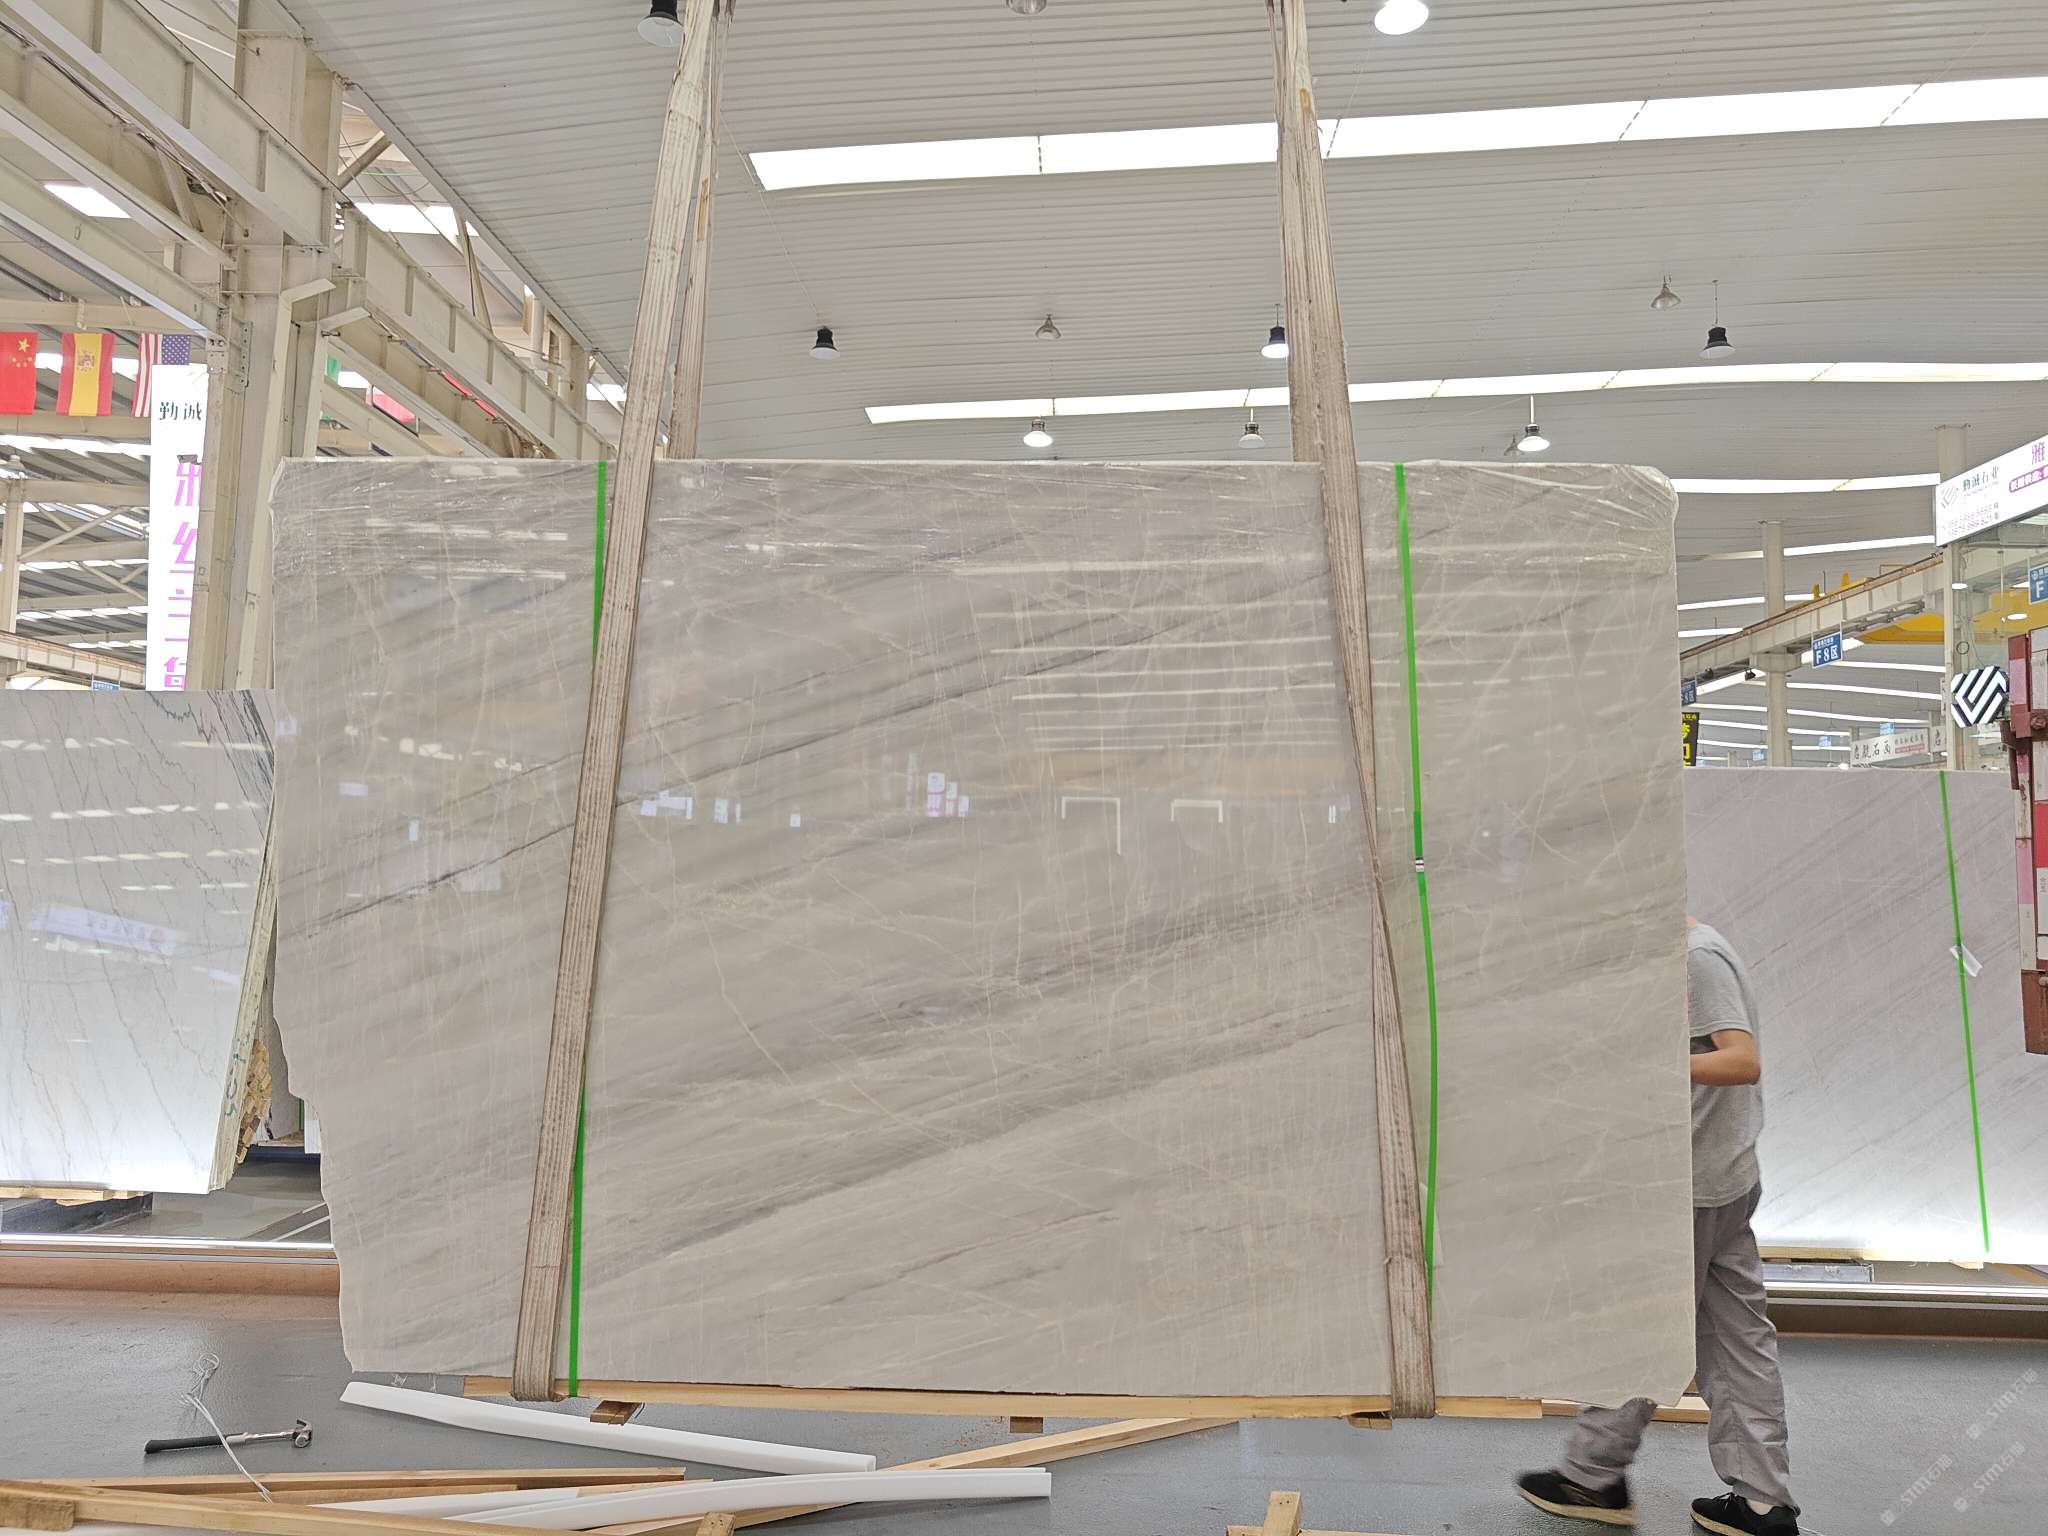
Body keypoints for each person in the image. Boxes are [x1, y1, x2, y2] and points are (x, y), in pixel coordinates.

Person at [1514, 916, 1800, 1536]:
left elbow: (1742, 1059)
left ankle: (1593, 1477)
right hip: (1719, 1178)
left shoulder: (1695, 957)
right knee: (1737, 1342)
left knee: (1639, 1330)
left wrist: (1643, 1062)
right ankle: (1763, 1502)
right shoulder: (1691, 950)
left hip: (1689, 1187)